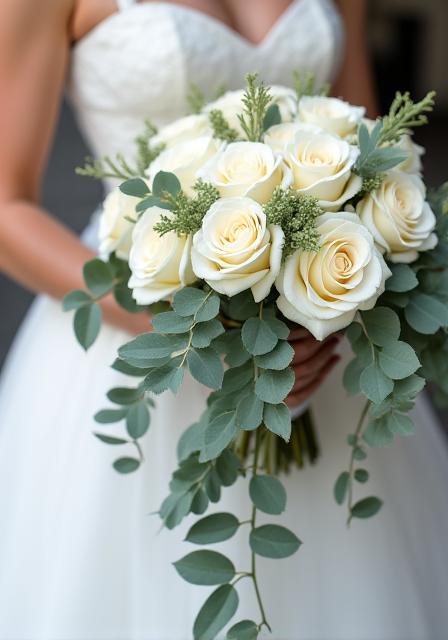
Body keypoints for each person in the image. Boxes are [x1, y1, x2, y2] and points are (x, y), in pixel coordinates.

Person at [0, 1, 447, 638]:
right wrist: (183, 329)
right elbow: (6, 206)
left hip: (318, 347)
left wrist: (335, 296)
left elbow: (372, 152)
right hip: (139, 339)